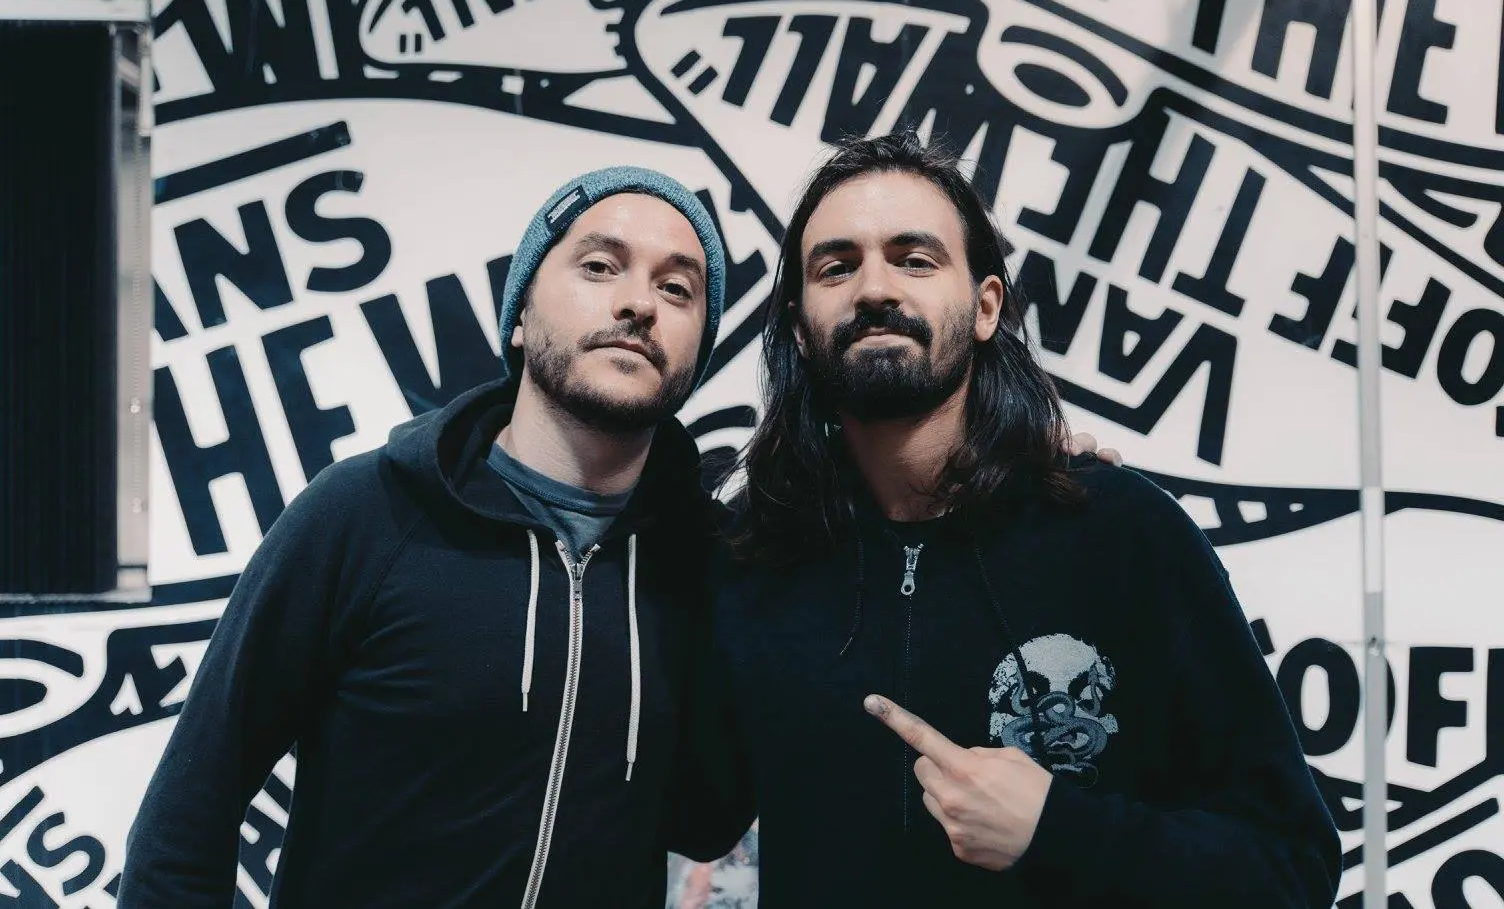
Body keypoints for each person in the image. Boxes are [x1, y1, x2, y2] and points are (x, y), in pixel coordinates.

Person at [712, 132, 1341, 907]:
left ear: (985, 308)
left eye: (915, 259)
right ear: (800, 329)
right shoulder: (753, 557)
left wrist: (1059, 831)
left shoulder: (1121, 532)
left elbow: (1292, 867)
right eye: (836, 267)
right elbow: (688, 813)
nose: (874, 288)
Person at [116, 166, 752, 908]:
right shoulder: (367, 513)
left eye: (676, 288)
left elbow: (705, 822)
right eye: (599, 266)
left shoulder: (707, 566)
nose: (639, 303)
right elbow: (187, 819)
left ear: (697, 349)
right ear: (520, 315)